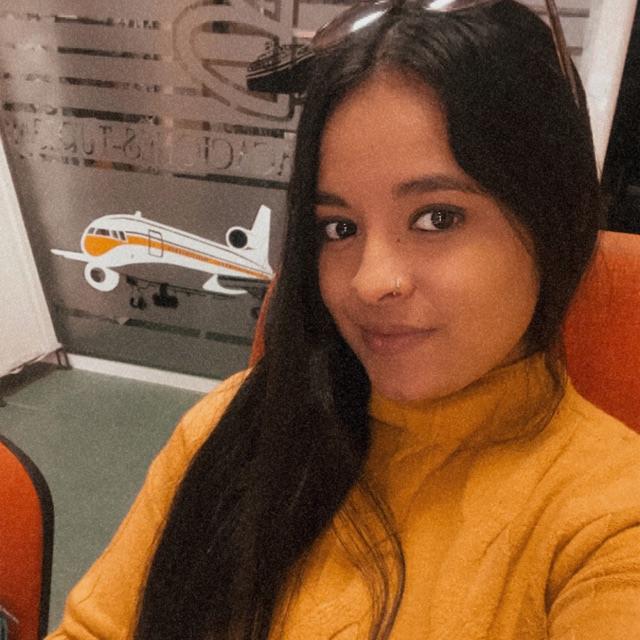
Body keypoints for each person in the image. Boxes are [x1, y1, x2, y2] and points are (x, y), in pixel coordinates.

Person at [48, 1, 640, 639]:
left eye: (437, 217)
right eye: (338, 228)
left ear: (554, 220)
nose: (369, 281)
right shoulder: (233, 426)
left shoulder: (610, 520)